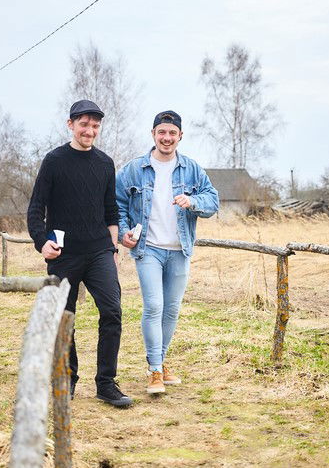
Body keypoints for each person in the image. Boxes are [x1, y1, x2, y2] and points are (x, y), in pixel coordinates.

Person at [27, 99, 133, 408]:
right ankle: (67, 378)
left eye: (95, 125)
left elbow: (110, 210)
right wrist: (41, 242)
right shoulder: (54, 161)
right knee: (64, 317)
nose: (90, 130)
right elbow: (36, 208)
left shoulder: (104, 163)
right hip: (64, 255)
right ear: (70, 124)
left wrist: (113, 247)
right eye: (84, 124)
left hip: (100, 250)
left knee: (112, 311)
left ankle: (106, 383)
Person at [116, 110, 219, 394]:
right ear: (153, 135)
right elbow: (117, 203)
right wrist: (123, 230)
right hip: (147, 247)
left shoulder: (192, 169)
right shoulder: (134, 169)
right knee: (154, 306)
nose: (167, 138)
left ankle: (159, 363)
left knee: (171, 310)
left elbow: (213, 201)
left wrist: (193, 200)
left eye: (172, 133)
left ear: (180, 136)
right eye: (162, 132)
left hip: (180, 249)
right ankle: (155, 370)